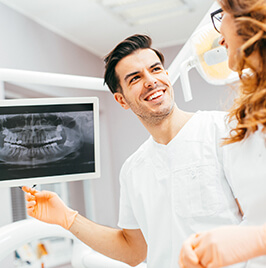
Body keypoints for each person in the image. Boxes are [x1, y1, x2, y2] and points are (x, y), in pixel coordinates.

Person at [23, 34, 244, 268]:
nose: (151, 81)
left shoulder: (222, 130)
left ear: (167, 76)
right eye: (135, 78)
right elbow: (133, 250)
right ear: (121, 100)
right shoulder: (133, 170)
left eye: (156, 69)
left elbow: (257, 218)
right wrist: (67, 218)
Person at [179, 0, 266, 267]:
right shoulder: (249, 114)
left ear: (247, 17)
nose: (218, 37)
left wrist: (258, 240)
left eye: (222, 14)